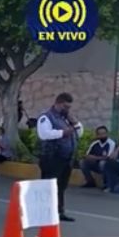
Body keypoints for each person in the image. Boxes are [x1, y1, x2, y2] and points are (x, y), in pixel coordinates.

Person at [36, 92, 83, 222]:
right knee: (48, 185)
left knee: (61, 186)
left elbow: (79, 132)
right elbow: (44, 134)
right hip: (52, 157)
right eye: (65, 107)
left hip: (66, 158)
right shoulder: (46, 117)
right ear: (58, 103)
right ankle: (43, 212)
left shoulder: (66, 118)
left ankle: (58, 211)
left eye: (69, 107)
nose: (67, 110)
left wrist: (75, 122)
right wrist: (63, 133)